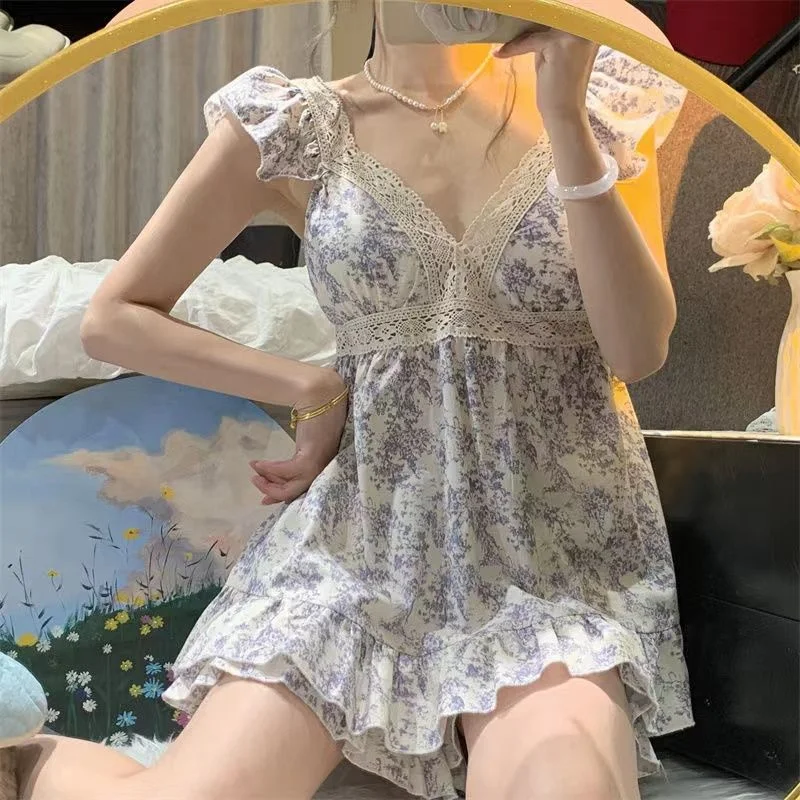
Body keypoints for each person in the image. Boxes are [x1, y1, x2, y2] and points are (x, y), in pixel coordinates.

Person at [6, 3, 693, 799]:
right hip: (356, 554)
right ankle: (22, 758)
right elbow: (114, 318)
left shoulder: (596, 92)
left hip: (547, 567)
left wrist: (565, 118)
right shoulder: (296, 126)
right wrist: (308, 383)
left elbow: (638, 351)